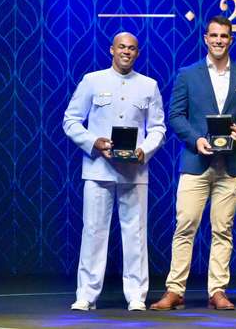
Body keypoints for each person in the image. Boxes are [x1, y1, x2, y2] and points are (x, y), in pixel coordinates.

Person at [151, 16, 236, 311]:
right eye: (214, 35)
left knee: (223, 229)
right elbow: (175, 115)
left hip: (232, 164)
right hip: (197, 161)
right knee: (185, 225)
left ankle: (218, 291)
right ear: (205, 38)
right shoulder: (188, 74)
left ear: (231, 40)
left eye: (224, 36)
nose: (219, 40)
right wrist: (196, 139)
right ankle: (175, 290)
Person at [63, 32, 166, 311]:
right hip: (98, 169)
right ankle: (86, 295)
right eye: (122, 47)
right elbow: (71, 120)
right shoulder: (92, 81)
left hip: (134, 172)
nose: (127, 52)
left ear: (137, 53)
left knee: (135, 233)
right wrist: (93, 142)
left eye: (132, 48)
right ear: (112, 49)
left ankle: (136, 295)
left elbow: (158, 127)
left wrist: (144, 150)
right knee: (94, 232)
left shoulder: (149, 85)